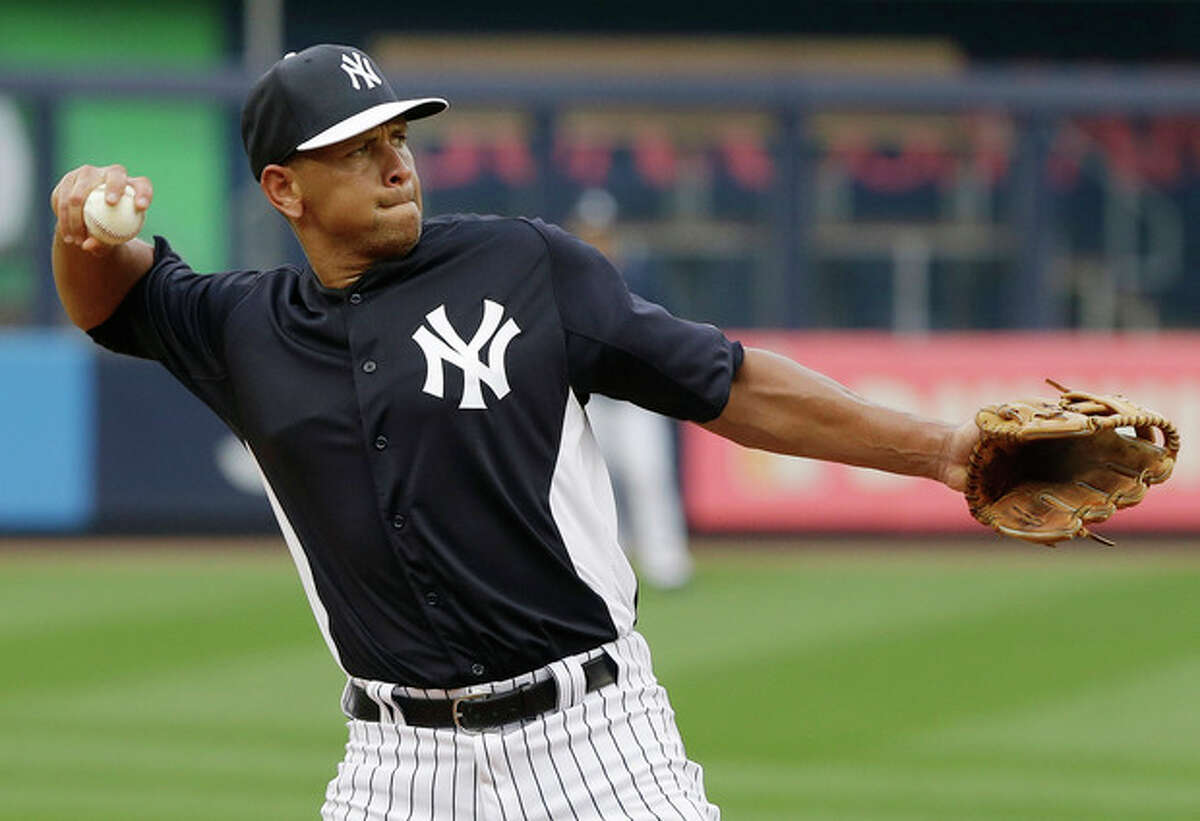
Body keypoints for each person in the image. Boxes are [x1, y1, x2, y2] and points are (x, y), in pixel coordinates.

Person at [50, 44, 979, 820]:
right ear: (284, 188)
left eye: (399, 137)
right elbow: (113, 298)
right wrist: (75, 231)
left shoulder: (522, 263)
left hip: (593, 746)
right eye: (357, 148)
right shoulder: (242, 330)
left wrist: (940, 451)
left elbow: (727, 381)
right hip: (393, 765)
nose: (396, 163)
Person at [568, 188, 693, 589]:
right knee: (596, 483)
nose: (596, 236)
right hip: (591, 398)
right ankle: (608, 562)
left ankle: (666, 560)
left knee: (649, 475)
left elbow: (662, 328)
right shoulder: (567, 272)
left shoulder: (638, 272)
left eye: (601, 229)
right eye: (589, 229)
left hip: (637, 397)